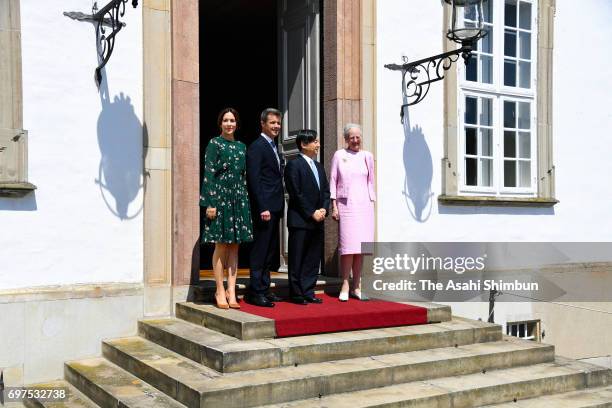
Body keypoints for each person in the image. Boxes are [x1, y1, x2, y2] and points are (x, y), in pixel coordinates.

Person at [200, 108, 253, 309]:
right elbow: (209, 174)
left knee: (234, 246)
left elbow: (243, 176)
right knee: (221, 245)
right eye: (226, 120)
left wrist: (244, 202)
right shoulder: (214, 143)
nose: (229, 124)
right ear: (220, 123)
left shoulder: (241, 146)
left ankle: (232, 290)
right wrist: (210, 203)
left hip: (238, 198)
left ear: (236, 124)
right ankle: (219, 290)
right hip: (220, 198)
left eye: (232, 120)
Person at [330, 124, 376, 301]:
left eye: (357, 137)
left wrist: (372, 201)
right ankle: (345, 283)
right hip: (346, 205)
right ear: (346, 139)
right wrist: (333, 206)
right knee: (348, 247)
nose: (355, 140)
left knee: (361, 248)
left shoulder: (368, 156)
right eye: (351, 137)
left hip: (364, 205)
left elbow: (370, 180)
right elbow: (333, 180)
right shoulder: (339, 155)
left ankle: (357, 286)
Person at [284, 130, 330, 305]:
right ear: (303, 144)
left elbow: (326, 191)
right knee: (297, 258)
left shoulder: (319, 166)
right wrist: (312, 212)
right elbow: (296, 193)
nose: (318, 144)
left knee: (312, 258)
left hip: (318, 220)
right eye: (315, 141)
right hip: (301, 220)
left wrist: (324, 210)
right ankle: (296, 294)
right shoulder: (293, 165)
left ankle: (308, 291)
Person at [245, 108, 285, 307]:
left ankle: (265, 288)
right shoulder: (257, 147)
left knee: (270, 250)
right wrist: (262, 207)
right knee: (260, 250)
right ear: (263, 124)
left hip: (275, 206)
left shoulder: (273, 146)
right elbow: (254, 180)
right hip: (265, 208)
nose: (277, 126)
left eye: (278, 123)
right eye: (272, 123)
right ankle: (255, 291)